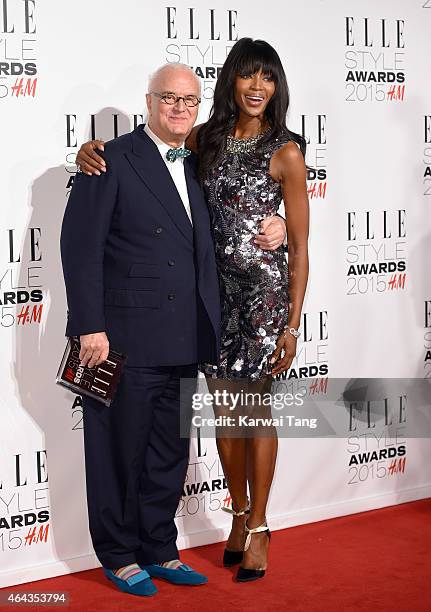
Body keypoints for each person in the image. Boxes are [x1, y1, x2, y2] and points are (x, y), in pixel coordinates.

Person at [76, 38, 308, 583]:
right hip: (175, 316)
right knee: (177, 430)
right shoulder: (183, 144)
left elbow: (295, 235)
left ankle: (227, 532)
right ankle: (152, 543)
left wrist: (278, 231)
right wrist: (89, 150)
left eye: (188, 99)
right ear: (150, 101)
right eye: (168, 98)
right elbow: (89, 239)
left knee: (214, 430)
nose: (179, 108)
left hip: (235, 309)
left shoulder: (267, 149)